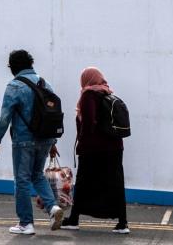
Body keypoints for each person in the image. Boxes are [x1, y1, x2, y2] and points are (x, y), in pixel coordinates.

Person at [0, 49, 65, 235]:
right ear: (30, 63)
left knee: (22, 180)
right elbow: (52, 115)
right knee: (37, 175)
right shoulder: (45, 83)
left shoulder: (14, 86)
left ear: (13, 67)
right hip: (46, 138)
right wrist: (53, 142)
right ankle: (53, 208)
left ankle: (26, 223)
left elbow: (4, 116)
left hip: (24, 140)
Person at [61, 67, 129, 234]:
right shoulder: (106, 93)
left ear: (86, 80)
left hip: (94, 149)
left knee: (83, 183)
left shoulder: (88, 95)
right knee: (115, 184)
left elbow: (89, 123)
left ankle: (74, 219)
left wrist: (81, 144)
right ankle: (122, 223)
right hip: (115, 148)